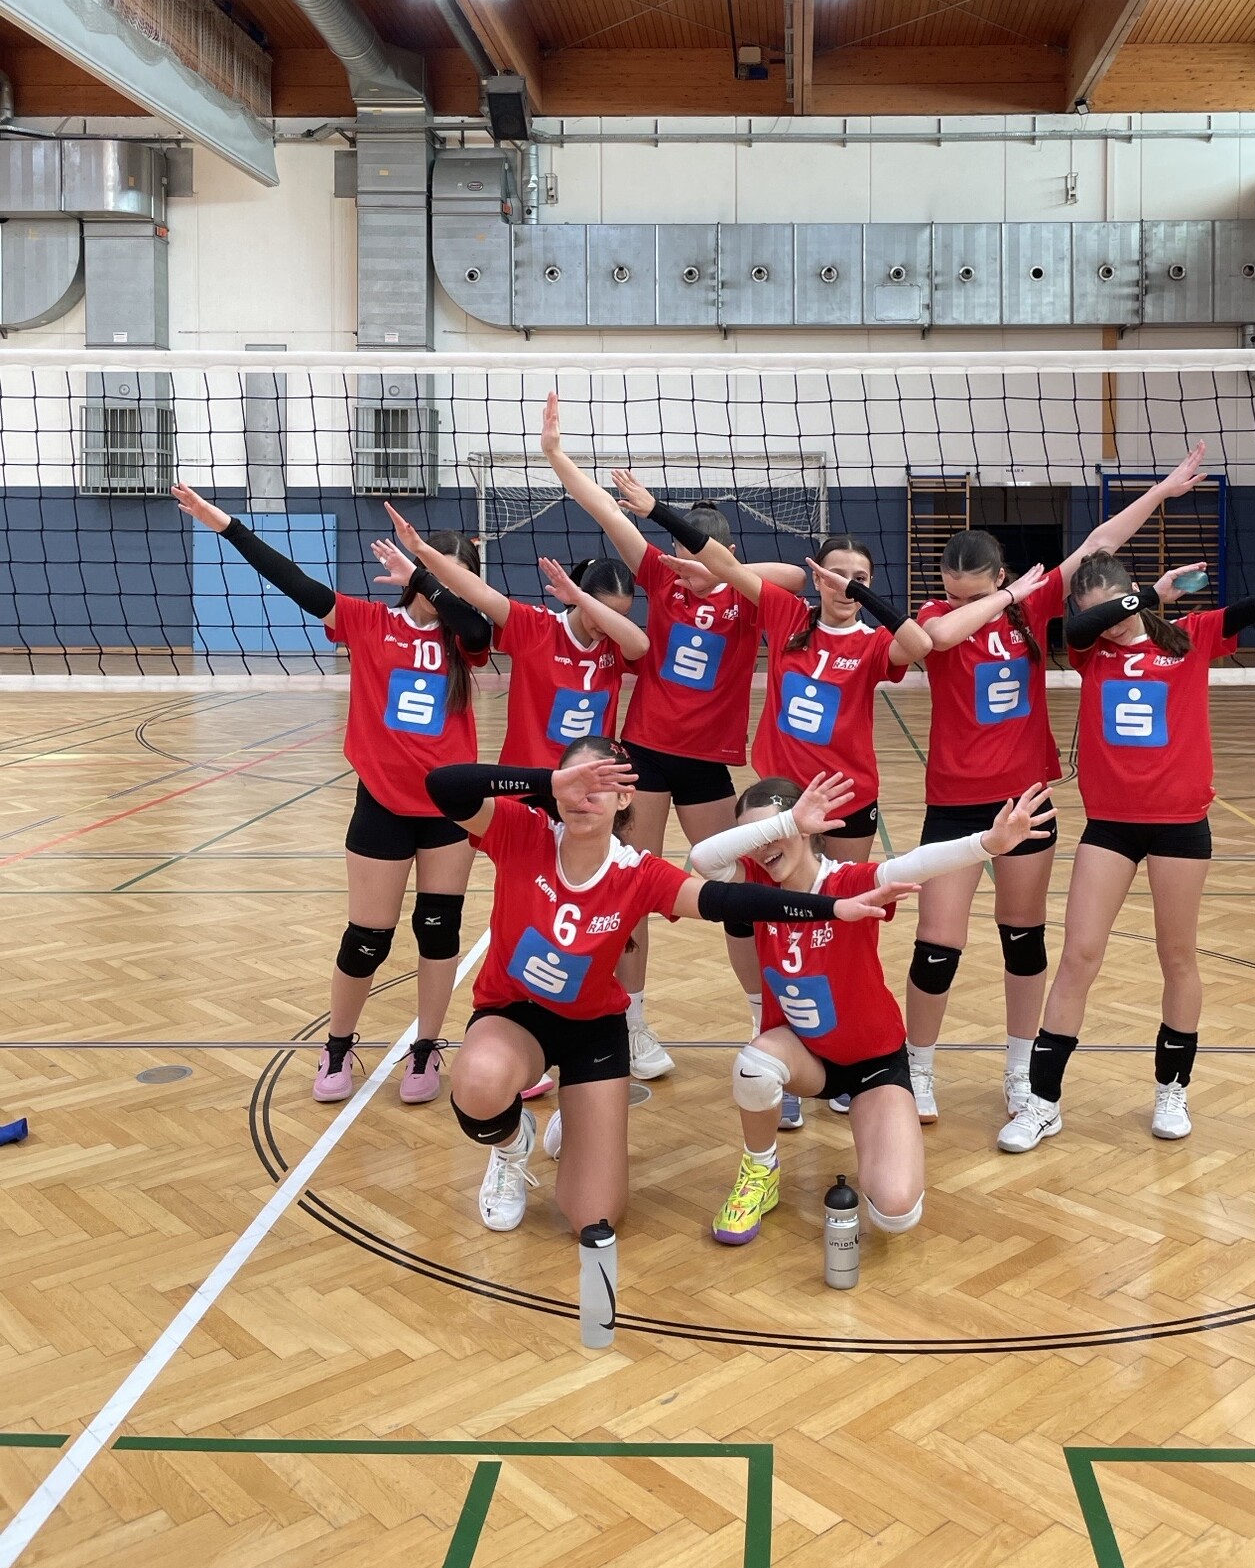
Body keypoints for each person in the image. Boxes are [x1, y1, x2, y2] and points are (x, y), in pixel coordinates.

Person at [998, 508, 1255, 1154]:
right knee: (1079, 957)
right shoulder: (1090, 650)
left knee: (1177, 957)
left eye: (1119, 607)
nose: (1112, 621)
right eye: (1101, 612)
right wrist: (1148, 595)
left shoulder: (1190, 637)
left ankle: (1171, 1090)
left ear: (1132, 593)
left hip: (1181, 826)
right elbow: (1079, 625)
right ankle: (1043, 1102)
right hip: (1110, 827)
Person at [423, 741, 909, 1235]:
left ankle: (580, 1114)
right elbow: (443, 785)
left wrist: (831, 908)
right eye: (574, 783)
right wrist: (546, 782)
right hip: (515, 1015)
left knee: (594, 1217)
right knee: (480, 1081)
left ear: (625, 798)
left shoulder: (638, 872)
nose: (583, 796)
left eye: (600, 785)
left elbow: (728, 900)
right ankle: (511, 1148)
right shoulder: (523, 830)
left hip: (592, 1031)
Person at [909, 445, 1211, 1130]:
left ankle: (1021, 1070)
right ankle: (917, 1067)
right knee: (938, 944)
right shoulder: (939, 615)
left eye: (975, 592)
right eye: (953, 592)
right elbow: (937, 639)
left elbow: (1100, 543)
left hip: (1025, 798)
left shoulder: (1035, 608)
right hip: (954, 800)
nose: (960, 603)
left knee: (1023, 938)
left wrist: (1159, 492)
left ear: (1000, 575)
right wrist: (1002, 599)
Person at [172, 483, 492, 1105]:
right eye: (440, 578)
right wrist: (225, 525)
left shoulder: (465, 641)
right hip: (383, 805)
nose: (447, 592)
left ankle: (425, 1049)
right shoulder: (369, 623)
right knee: (367, 939)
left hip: (450, 810)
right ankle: (338, 1046)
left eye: (458, 581)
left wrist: (427, 578)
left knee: (439, 931)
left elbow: (476, 624)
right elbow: (294, 581)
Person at [540, 393, 805, 1088]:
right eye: (678, 554)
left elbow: (798, 577)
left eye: (695, 555)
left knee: (739, 885)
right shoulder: (660, 578)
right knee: (629, 881)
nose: (681, 564)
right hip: (648, 754)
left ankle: (767, 1021)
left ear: (725, 555)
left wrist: (717, 569)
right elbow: (607, 514)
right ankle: (630, 1023)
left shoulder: (748, 596)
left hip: (709, 764)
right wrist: (558, 458)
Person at [689, 771, 1054, 1247]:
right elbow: (703, 858)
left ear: (808, 829)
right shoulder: (755, 887)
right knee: (754, 1066)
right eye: (754, 837)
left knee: (895, 1212)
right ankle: (760, 1170)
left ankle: (875, 1129)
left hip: (871, 1064)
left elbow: (916, 863)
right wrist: (785, 824)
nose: (763, 847)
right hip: (804, 1057)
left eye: (775, 830)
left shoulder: (847, 882)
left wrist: (988, 843)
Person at [649, 515, 930, 1129]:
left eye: (860, 578)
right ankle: (774, 1037)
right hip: (779, 802)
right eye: (837, 575)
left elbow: (920, 645)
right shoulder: (788, 616)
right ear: (817, 576)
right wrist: (657, 512)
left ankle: (848, 1052)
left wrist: (862, 597)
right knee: (757, 920)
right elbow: (726, 566)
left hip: (846, 801)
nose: (847, 585)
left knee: (847, 922)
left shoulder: (874, 643)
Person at [383, 502, 647, 764]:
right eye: (601, 611)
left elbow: (640, 645)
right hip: (528, 779)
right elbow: (481, 592)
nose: (606, 624)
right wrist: (419, 550)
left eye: (617, 617)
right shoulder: (536, 627)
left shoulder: (616, 643)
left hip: (591, 778)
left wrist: (580, 598)